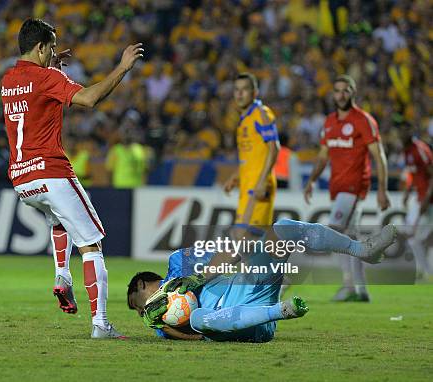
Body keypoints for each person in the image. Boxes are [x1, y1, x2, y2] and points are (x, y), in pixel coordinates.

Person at [0, 19, 143, 339]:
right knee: (92, 246)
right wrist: (122, 68)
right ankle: (101, 323)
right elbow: (90, 99)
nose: (53, 52)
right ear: (40, 48)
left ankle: (62, 276)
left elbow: (33, 88)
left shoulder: (8, 79)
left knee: (60, 221)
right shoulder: (49, 77)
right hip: (51, 172)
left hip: (22, 179)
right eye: (50, 47)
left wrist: (50, 67)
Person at [127, 218, 397, 342]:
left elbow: (232, 253)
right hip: (238, 321)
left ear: (142, 285)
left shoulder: (179, 261)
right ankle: (279, 311)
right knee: (197, 319)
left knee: (282, 228)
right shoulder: (158, 316)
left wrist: (197, 278)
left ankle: (362, 249)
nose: (140, 311)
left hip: (246, 286)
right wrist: (188, 334)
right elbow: (183, 333)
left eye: (136, 304)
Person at [304, 75, 391, 302]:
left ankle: (347, 284)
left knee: (333, 232)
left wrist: (382, 188)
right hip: (337, 187)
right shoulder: (330, 122)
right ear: (333, 94)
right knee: (350, 239)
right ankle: (360, 289)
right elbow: (323, 157)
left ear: (353, 92)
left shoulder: (363, 120)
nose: (341, 95)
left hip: (354, 187)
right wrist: (312, 180)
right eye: (337, 90)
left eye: (346, 90)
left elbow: (378, 156)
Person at [224, 73, 279, 229]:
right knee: (250, 243)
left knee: (243, 238)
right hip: (247, 184)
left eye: (245, 89)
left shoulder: (261, 114)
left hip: (258, 185)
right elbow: (250, 157)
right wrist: (235, 177)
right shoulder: (243, 120)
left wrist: (263, 181)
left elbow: (274, 148)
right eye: (236, 90)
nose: (240, 94)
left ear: (255, 93)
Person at [400, 126, 432, 278]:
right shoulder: (406, 151)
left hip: (429, 200)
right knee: (413, 236)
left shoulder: (420, 149)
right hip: (421, 198)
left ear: (410, 132)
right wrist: (407, 192)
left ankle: (425, 271)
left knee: (414, 237)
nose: (401, 135)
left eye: (404, 131)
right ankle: (424, 270)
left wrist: (427, 199)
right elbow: (413, 174)